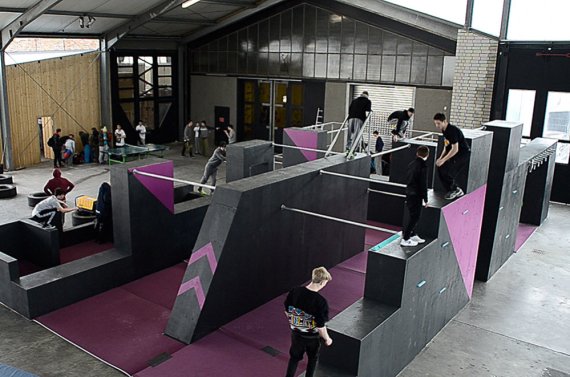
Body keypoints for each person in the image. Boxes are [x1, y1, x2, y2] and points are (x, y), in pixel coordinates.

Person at [284, 267, 333, 377]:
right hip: (312, 338)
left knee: (294, 359)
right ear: (322, 282)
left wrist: (296, 323)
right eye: (325, 282)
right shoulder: (320, 301)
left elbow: (287, 310)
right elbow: (321, 326)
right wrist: (327, 339)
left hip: (296, 335)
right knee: (312, 360)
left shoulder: (295, 291)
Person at [433, 113, 471, 200]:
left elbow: (455, 149)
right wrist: (441, 158)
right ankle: (451, 189)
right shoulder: (444, 130)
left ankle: (456, 190)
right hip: (454, 153)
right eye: (435, 123)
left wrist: (444, 160)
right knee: (440, 168)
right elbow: (446, 146)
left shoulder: (452, 131)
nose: (437, 126)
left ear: (444, 121)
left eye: (438, 123)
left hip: (462, 154)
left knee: (448, 171)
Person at [401, 146, 430, 247]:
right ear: (427, 155)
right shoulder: (423, 167)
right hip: (416, 195)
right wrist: (426, 199)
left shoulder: (411, 164)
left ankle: (412, 234)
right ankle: (406, 238)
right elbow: (423, 184)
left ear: (417, 153)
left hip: (409, 193)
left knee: (413, 215)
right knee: (415, 217)